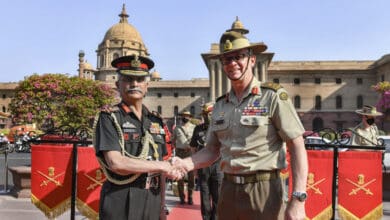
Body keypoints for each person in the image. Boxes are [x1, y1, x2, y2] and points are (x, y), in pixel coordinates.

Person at [172, 31, 308, 220]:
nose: (232, 63)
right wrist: (185, 164)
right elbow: (211, 150)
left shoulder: (272, 96)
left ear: (252, 60)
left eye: (238, 57)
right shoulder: (220, 105)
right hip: (227, 189)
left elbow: (297, 145)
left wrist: (298, 198)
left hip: (264, 189)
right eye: (227, 59)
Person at [93, 55, 182, 220]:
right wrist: (162, 166)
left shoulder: (155, 121)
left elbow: (161, 168)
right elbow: (116, 162)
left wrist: (162, 205)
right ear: (118, 85)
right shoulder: (110, 117)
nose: (134, 84)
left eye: (140, 79)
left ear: (147, 86)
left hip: (153, 197)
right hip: (122, 196)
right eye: (128, 79)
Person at [189, 102, 222, 220]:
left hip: (218, 166)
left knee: (218, 197)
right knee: (205, 196)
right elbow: (193, 148)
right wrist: (194, 167)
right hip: (203, 167)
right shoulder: (198, 129)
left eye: (211, 113)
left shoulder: (221, 128)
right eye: (206, 114)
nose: (208, 116)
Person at [171, 110, 196, 205]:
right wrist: (177, 148)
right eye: (183, 116)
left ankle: (190, 197)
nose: (185, 117)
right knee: (180, 176)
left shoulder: (194, 128)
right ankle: (181, 197)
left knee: (191, 177)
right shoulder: (177, 128)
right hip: (180, 153)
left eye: (187, 116)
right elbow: (173, 140)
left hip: (190, 154)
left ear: (190, 117)